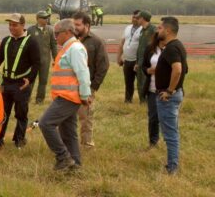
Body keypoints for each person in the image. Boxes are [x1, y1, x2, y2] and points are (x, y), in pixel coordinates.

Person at [39, 19, 91, 170]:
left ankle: (63, 157)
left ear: (68, 32)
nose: (55, 37)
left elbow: (83, 73)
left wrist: (85, 95)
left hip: (69, 97)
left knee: (46, 124)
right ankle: (75, 165)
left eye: (57, 34)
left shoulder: (74, 49)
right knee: (68, 131)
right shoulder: (68, 48)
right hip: (65, 96)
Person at [0, 13, 40, 149]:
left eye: (15, 25)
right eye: (10, 25)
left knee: (21, 113)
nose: (12, 28)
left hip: (21, 85)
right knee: (3, 113)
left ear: (23, 25)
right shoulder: (6, 40)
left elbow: (37, 63)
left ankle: (19, 140)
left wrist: (30, 79)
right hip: (6, 83)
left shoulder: (31, 41)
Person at [155, 17, 187, 175]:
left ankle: (172, 167)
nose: (157, 30)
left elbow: (179, 69)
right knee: (172, 130)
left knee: (170, 133)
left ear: (167, 30)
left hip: (168, 97)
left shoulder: (171, 48)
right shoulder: (177, 45)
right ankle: (172, 163)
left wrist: (169, 90)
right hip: (176, 94)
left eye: (160, 28)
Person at [73, 12, 109, 147]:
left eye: (78, 24)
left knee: (85, 118)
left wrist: (93, 86)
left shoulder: (96, 42)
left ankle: (87, 145)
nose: (75, 27)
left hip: (86, 88)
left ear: (86, 25)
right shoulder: (71, 40)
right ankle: (68, 144)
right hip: (70, 86)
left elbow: (103, 65)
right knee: (67, 118)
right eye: (73, 24)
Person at [27, 10, 58, 104]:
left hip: (45, 60)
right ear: (38, 19)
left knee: (43, 81)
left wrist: (56, 58)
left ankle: (39, 100)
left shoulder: (50, 30)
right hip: (32, 61)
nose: (46, 19)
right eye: (44, 18)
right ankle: (27, 98)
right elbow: (25, 45)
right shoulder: (30, 30)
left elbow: (53, 45)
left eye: (47, 17)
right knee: (30, 80)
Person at [142, 32, 165, 148]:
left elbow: (184, 69)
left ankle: (170, 142)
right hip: (152, 89)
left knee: (166, 118)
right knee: (153, 117)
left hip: (167, 90)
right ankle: (153, 142)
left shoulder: (172, 49)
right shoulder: (150, 49)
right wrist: (148, 70)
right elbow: (144, 66)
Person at [117, 10, 142, 103]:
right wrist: (119, 57)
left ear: (141, 19)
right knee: (128, 82)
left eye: (137, 18)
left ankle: (143, 101)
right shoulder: (127, 28)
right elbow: (122, 43)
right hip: (127, 61)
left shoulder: (144, 30)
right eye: (133, 17)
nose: (134, 19)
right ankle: (128, 100)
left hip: (138, 61)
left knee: (141, 83)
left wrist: (139, 62)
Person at [135, 10, 156, 103]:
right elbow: (140, 47)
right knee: (139, 82)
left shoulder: (153, 29)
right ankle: (142, 101)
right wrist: (137, 62)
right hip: (140, 61)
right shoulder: (142, 30)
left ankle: (147, 102)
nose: (136, 19)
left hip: (148, 62)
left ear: (143, 19)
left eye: (138, 18)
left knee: (146, 82)